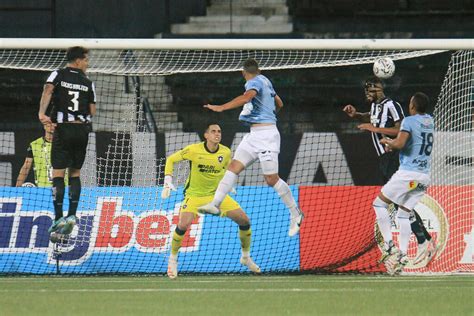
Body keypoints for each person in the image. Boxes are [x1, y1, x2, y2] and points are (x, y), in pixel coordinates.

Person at [197, 58, 304, 237]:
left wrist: (222, 107)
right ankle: (215, 204)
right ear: (258, 69)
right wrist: (267, 116)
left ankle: (296, 213)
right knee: (233, 167)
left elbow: (247, 97)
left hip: (267, 137)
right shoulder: (266, 80)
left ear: (243, 73)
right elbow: (280, 104)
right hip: (254, 135)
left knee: (271, 179)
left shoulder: (253, 83)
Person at [343, 77, 436, 265]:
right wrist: (357, 115)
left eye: (372, 89)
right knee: (399, 207)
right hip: (389, 160)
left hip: (395, 159)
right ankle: (415, 245)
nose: (368, 92)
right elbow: (372, 118)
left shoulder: (392, 105)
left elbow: (398, 129)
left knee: (386, 204)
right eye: (367, 89)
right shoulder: (377, 108)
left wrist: (375, 131)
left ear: (381, 88)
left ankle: (415, 241)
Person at [162, 123, 260, 279]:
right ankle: (172, 260)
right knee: (183, 225)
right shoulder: (194, 150)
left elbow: (227, 169)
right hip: (194, 195)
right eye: (213, 131)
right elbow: (171, 159)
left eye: (219, 131)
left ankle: (246, 257)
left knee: (244, 220)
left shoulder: (226, 152)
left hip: (216, 195)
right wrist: (168, 179)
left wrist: (229, 184)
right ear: (206, 135)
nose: (217, 134)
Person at [38, 46, 96, 237]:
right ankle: (72, 216)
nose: (87, 64)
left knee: (57, 174)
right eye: (86, 60)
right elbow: (92, 111)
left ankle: (58, 218)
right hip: (82, 131)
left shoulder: (58, 74)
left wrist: (42, 113)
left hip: (63, 129)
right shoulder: (88, 82)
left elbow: (48, 90)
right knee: (75, 173)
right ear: (78, 60)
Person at [374, 92, 434, 274]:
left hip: (408, 175)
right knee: (403, 214)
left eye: (410, 102)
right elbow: (413, 143)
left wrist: (387, 141)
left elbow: (400, 144)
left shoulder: (408, 121)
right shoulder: (430, 121)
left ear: (413, 106)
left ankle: (390, 245)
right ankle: (402, 254)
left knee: (379, 204)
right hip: (423, 176)